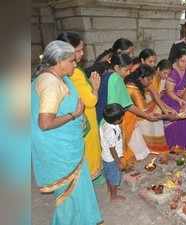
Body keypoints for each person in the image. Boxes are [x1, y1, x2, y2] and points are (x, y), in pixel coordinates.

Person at [31, 40, 102, 225]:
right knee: (68, 199)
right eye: (71, 60)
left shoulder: (60, 78)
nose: (75, 63)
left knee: (78, 194)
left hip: (68, 147)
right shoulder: (50, 84)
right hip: (60, 152)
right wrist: (74, 115)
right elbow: (45, 123)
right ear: (59, 61)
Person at [96, 53, 160, 170]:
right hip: (114, 121)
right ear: (116, 68)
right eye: (126, 70)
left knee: (107, 148)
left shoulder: (105, 75)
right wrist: (147, 116)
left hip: (102, 120)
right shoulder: (117, 79)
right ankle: (120, 167)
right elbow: (127, 105)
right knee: (116, 147)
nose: (129, 73)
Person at [57, 32, 102, 180]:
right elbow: (91, 101)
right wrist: (95, 87)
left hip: (72, 120)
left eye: (83, 49)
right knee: (88, 153)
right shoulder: (74, 73)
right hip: (85, 117)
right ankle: (88, 181)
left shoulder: (58, 72)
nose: (82, 54)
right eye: (78, 50)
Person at [124, 65, 176, 159]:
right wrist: (166, 116)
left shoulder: (141, 81)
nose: (151, 81)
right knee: (138, 151)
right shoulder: (132, 89)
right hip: (129, 120)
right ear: (141, 78)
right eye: (149, 79)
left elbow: (155, 95)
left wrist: (166, 111)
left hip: (141, 114)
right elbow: (145, 114)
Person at [161, 49, 186, 150]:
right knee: (175, 121)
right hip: (171, 100)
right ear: (177, 60)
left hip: (185, 98)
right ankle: (173, 147)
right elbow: (169, 92)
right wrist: (179, 100)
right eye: (182, 61)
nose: (184, 64)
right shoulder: (172, 71)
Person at [100, 103, 126, 202]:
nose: (122, 118)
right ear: (116, 120)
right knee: (114, 177)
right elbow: (112, 149)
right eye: (121, 117)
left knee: (108, 175)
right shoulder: (111, 131)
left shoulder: (105, 123)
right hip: (112, 158)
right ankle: (114, 196)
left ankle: (110, 189)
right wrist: (118, 161)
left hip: (106, 156)